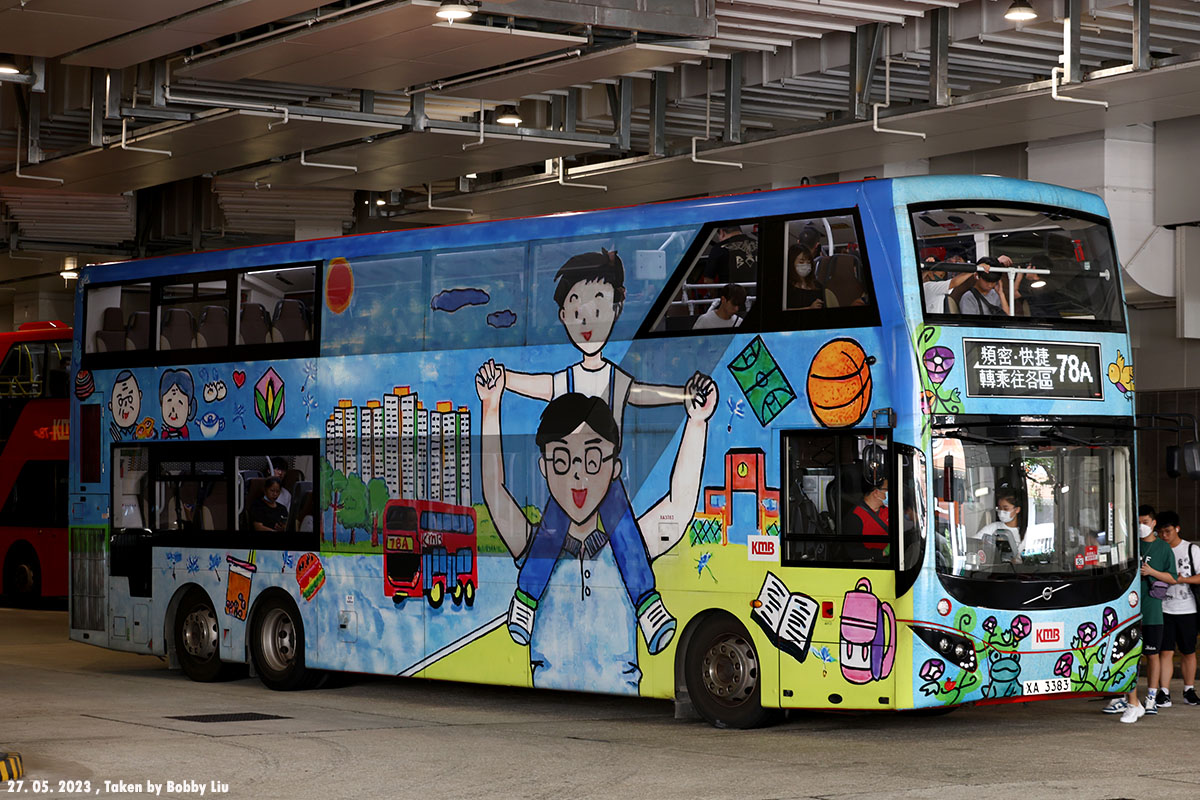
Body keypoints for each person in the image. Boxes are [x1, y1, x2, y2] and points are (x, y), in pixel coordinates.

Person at [492, 250, 716, 654]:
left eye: (597, 309)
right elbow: (538, 385)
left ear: (616, 310)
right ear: (563, 316)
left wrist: (685, 397)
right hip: (572, 480)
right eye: (576, 311)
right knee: (549, 535)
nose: (587, 321)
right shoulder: (565, 379)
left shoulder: (616, 379)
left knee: (624, 533)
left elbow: (646, 394)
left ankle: (646, 605)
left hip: (605, 480)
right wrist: (504, 379)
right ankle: (526, 600)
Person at [476, 368, 716, 693]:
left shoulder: (627, 548)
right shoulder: (536, 547)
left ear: (614, 468)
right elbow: (495, 491)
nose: (578, 475)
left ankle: (647, 604)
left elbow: (679, 504)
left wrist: (697, 423)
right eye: (562, 461)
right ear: (544, 468)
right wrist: (490, 406)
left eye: (592, 461)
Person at [1117, 509, 1177, 723]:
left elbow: (1173, 578)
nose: (1141, 526)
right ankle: (1123, 697)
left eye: (1145, 521)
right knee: (1128, 655)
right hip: (1129, 609)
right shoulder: (1129, 545)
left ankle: (1151, 696)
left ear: (1153, 523)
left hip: (1152, 609)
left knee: (1153, 654)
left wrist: (1152, 572)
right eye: (1138, 522)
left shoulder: (1163, 548)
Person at [1154, 511, 1199, 708]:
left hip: (1187, 608)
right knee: (1165, 651)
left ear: (1177, 529)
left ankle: (1189, 690)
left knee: (1188, 651)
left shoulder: (1191, 550)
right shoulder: (1158, 550)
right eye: (1161, 532)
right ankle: (1164, 692)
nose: (1164, 536)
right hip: (1164, 608)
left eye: (1168, 531)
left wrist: (1182, 579)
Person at [974, 488, 1024, 565]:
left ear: (1017, 509)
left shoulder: (1025, 532)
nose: (1001, 512)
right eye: (999, 508)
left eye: (1006, 509)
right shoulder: (992, 528)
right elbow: (974, 543)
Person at [843, 477, 888, 554]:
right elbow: (853, 551)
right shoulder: (855, 517)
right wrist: (882, 553)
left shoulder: (888, 510)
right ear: (876, 493)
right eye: (887, 489)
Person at [921, 249, 972, 314]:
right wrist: (975, 269)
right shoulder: (929, 286)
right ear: (930, 273)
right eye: (940, 275)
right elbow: (954, 282)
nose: (941, 279)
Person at [786, 234, 825, 310]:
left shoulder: (818, 286)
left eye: (808, 262)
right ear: (791, 263)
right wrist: (809, 308)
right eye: (801, 262)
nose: (806, 265)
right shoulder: (786, 287)